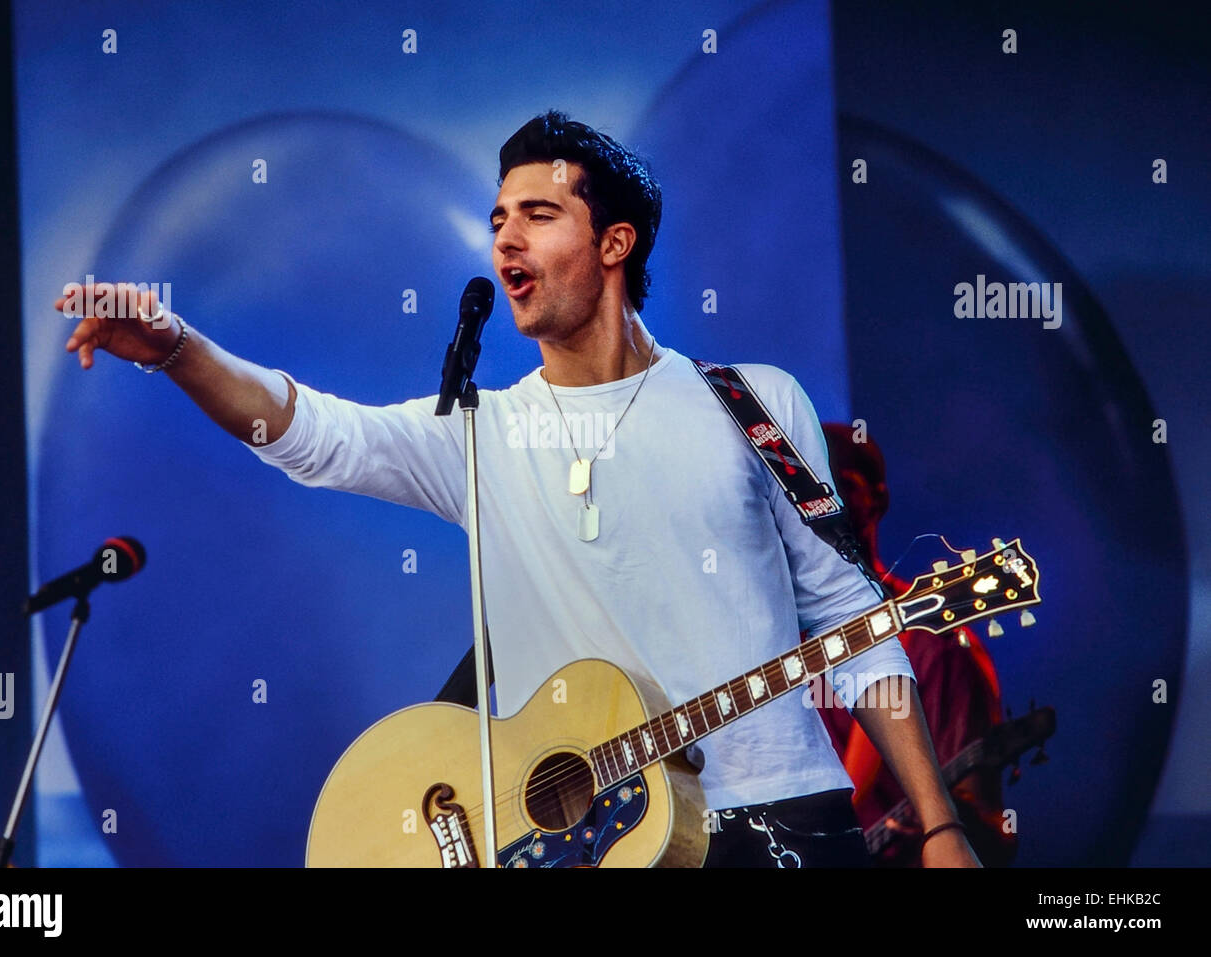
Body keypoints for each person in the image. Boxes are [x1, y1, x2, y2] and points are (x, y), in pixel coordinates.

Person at [56, 110, 978, 867]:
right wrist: (180, 348)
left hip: (783, 819)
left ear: (614, 242)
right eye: (498, 217)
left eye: (537, 213)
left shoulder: (756, 402)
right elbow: (310, 432)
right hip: (595, 843)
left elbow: (853, 623)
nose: (505, 235)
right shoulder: (482, 431)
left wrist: (939, 825)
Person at [815, 423, 1017, 866]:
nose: (826, 505)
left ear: (878, 499)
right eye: (811, 490)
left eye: (842, 486)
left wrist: (942, 825)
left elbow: (992, 831)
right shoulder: (774, 647)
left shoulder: (937, 646)